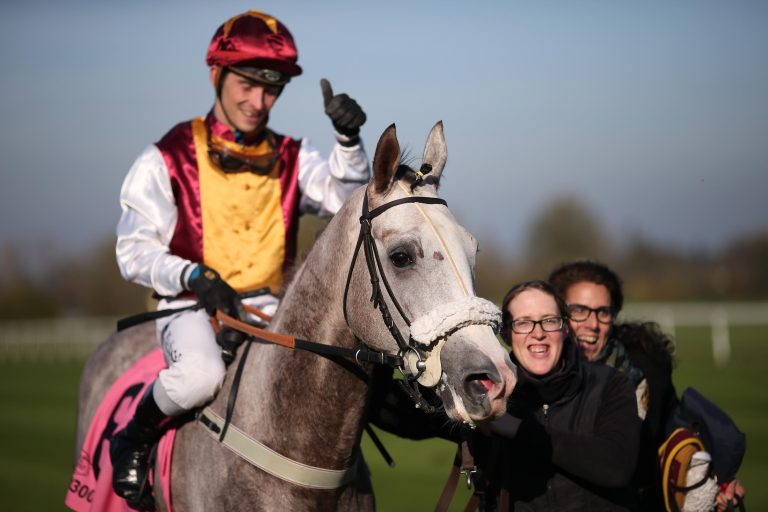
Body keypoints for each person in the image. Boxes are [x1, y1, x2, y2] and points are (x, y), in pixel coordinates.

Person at [110, 10, 370, 509]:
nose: (259, 102)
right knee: (199, 377)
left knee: (343, 374)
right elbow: (133, 250)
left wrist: (348, 142)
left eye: (271, 90)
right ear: (217, 75)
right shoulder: (167, 154)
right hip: (191, 306)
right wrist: (190, 273)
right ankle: (133, 438)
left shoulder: (295, 154)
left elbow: (348, 202)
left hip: (272, 311)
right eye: (248, 85)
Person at [369, 280, 641, 511]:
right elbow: (387, 408)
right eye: (524, 323)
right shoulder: (483, 388)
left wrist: (512, 428)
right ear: (508, 334)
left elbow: (615, 467)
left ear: (565, 328)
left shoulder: (610, 384)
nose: (538, 334)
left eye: (549, 321)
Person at [549, 260, 745, 511]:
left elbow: (675, 432)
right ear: (555, 314)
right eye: (579, 310)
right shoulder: (535, 378)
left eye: (603, 312)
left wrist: (720, 480)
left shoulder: (648, 373)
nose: (593, 323)